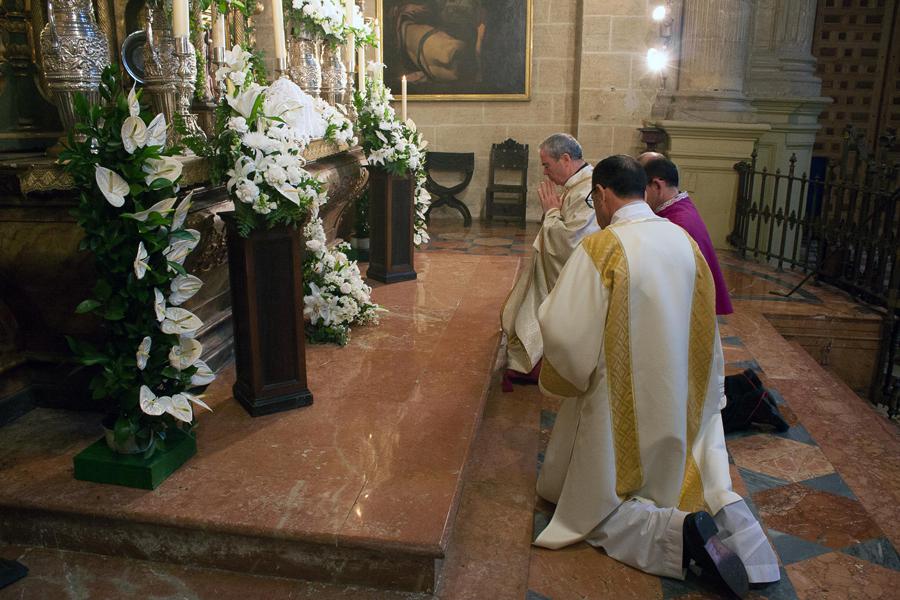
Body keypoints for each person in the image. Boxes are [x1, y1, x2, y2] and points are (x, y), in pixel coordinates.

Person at [534, 155, 779, 597]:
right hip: (680, 396)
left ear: (605, 195)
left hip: (620, 404)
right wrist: (708, 392)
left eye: (595, 200)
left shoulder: (603, 247)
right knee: (706, 482)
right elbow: (707, 328)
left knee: (594, 506)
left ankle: (677, 537)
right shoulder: (684, 240)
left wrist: (566, 373)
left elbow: (566, 335)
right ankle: (750, 542)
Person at [639, 153, 788, 432]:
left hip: (686, 316)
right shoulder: (677, 209)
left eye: (641, 188)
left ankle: (753, 405)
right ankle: (745, 384)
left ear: (657, 186)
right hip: (691, 312)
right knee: (694, 384)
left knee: (688, 407)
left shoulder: (676, 222)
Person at [500, 133, 598, 390]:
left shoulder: (587, 190)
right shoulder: (577, 185)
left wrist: (552, 212)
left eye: (546, 165)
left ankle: (542, 361)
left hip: (575, 274)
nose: (545, 173)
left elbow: (572, 242)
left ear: (565, 159)